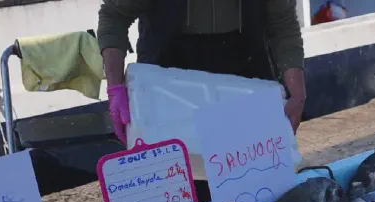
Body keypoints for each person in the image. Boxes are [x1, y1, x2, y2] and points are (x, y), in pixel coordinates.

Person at [96, 0, 306, 144]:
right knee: (181, 185)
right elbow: (114, 16)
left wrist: (297, 90)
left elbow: (282, 22)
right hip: (166, 77)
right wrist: (115, 88)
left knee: (251, 181)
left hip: (244, 70)